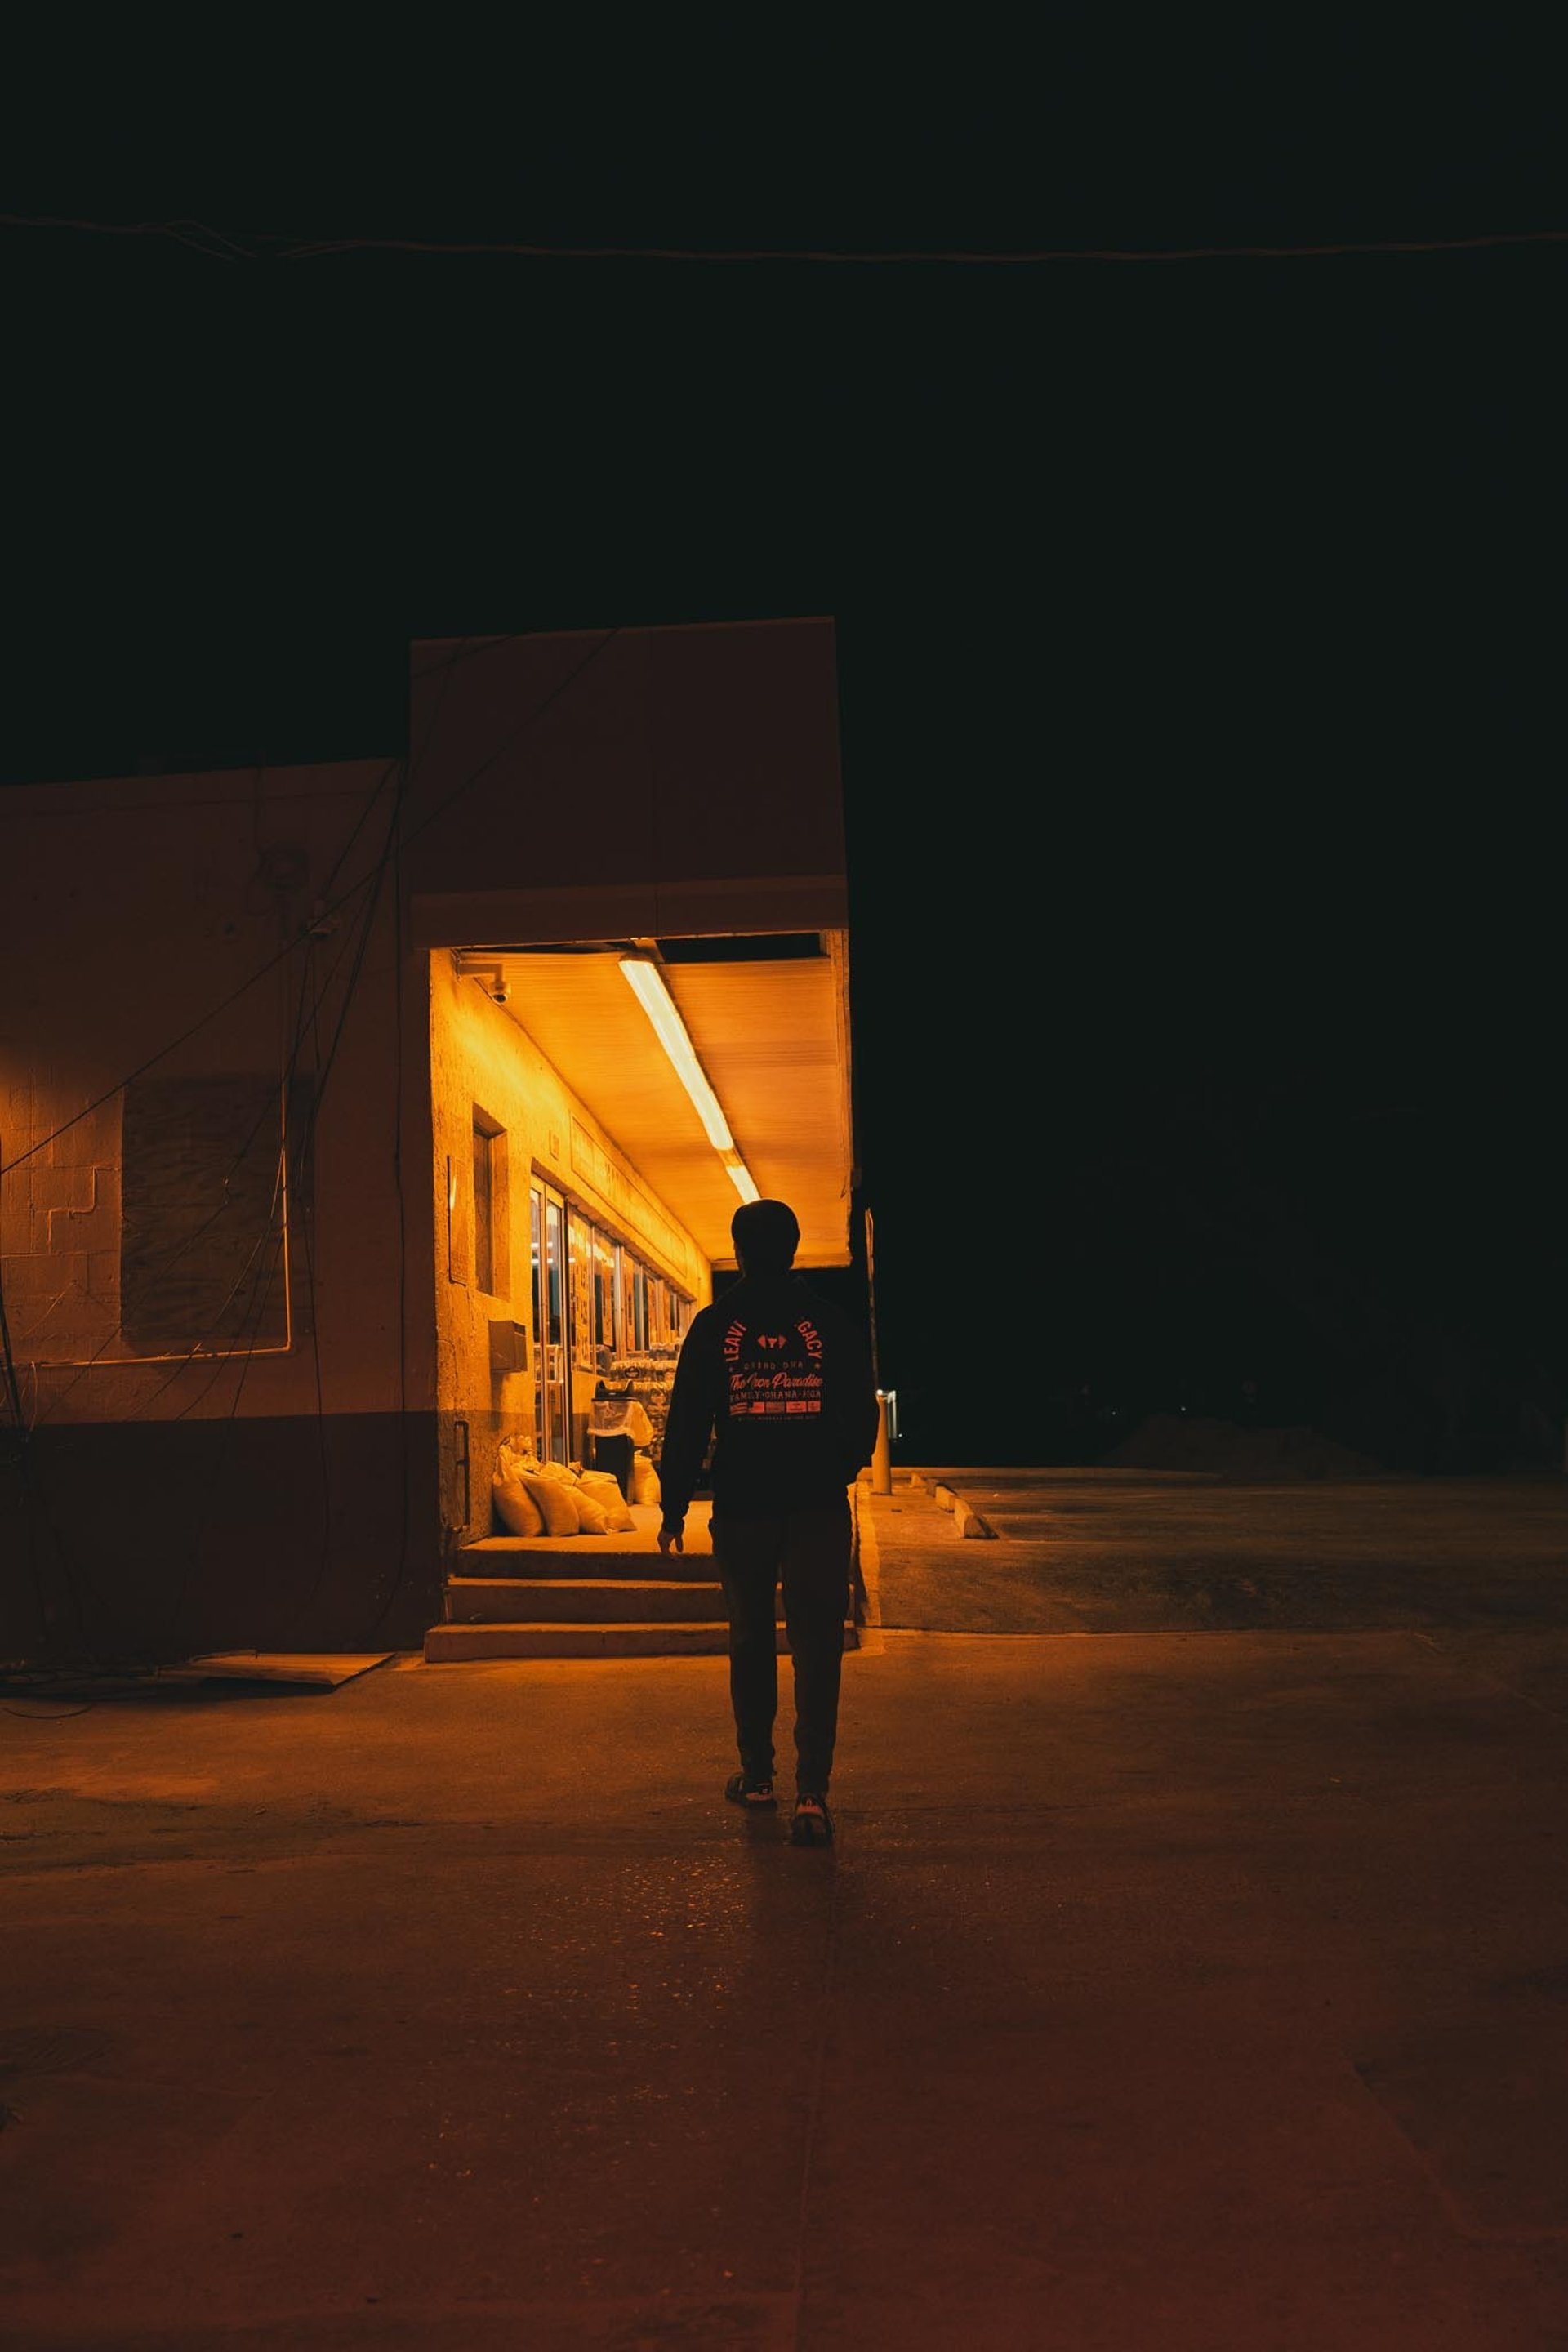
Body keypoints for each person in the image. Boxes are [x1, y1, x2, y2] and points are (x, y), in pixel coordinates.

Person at [657, 1198, 881, 1846]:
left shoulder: (715, 1324)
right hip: (816, 1508)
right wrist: (836, 1465)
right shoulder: (828, 1322)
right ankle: (812, 1794)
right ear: (793, 1246)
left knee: (751, 1637)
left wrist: (675, 1504)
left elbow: (689, 1420)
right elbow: (860, 1411)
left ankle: (758, 1777)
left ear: (738, 1249)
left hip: (744, 1506)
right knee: (817, 1648)